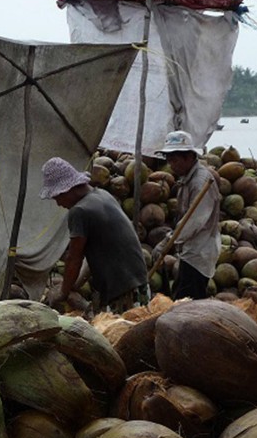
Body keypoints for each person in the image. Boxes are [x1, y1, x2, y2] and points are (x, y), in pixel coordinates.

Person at [40, 157, 150, 313]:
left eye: (57, 197)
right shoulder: (102, 195)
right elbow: (92, 253)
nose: (58, 203)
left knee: (117, 332)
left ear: (67, 189)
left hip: (122, 290)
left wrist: (63, 292)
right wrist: (74, 285)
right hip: (137, 283)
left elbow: (74, 257)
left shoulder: (79, 211)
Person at [152, 130, 221, 300]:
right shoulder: (186, 179)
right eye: (168, 160)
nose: (171, 165)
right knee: (182, 298)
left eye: (174, 160)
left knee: (187, 303)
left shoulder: (200, 182)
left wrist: (167, 242)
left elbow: (192, 222)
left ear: (189, 157)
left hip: (199, 252)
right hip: (190, 251)